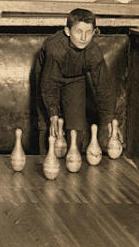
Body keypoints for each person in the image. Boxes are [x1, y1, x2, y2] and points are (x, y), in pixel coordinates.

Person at [36, 8, 117, 152]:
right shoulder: (55, 49)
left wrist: (109, 119)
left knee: (77, 126)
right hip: (47, 77)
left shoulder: (93, 52)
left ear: (94, 32)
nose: (84, 38)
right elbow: (49, 85)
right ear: (67, 31)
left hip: (75, 78)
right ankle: (45, 162)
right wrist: (53, 115)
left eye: (88, 32)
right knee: (48, 126)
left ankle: (74, 160)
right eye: (79, 31)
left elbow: (104, 86)